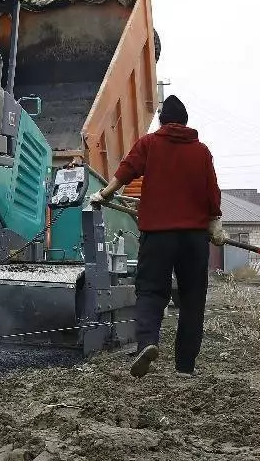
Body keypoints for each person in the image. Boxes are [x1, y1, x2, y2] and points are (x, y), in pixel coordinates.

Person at [90, 95, 227, 378]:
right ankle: (185, 367)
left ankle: (147, 342)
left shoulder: (150, 144)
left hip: (158, 235)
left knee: (151, 292)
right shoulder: (201, 151)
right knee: (192, 299)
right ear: (186, 122)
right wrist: (214, 223)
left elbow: (125, 172)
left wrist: (104, 194)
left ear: (163, 121)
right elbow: (213, 193)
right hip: (193, 238)